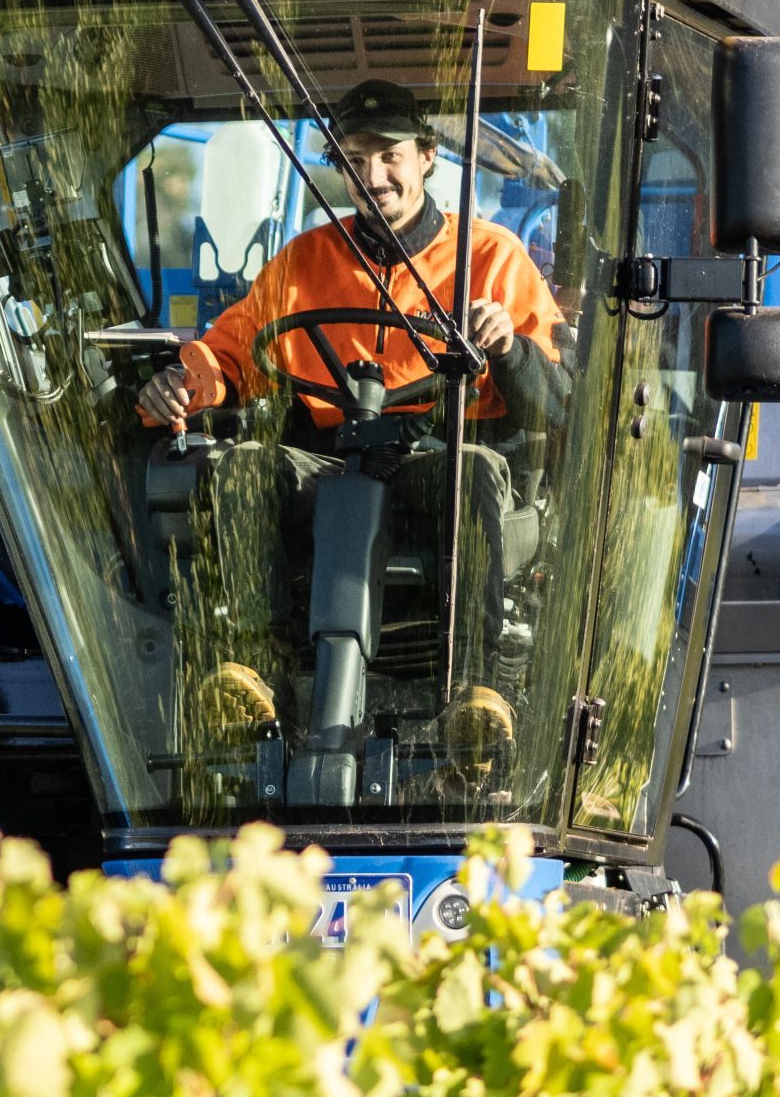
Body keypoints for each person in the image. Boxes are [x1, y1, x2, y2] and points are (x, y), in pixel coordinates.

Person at [134, 78, 566, 741]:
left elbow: (561, 402)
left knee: (472, 469)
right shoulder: (302, 263)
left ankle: (478, 692)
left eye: (390, 156)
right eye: (357, 159)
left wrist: (507, 346)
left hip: (436, 458)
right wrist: (181, 384)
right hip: (332, 461)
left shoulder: (493, 259)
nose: (375, 176)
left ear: (427, 156)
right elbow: (228, 355)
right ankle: (257, 677)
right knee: (247, 464)